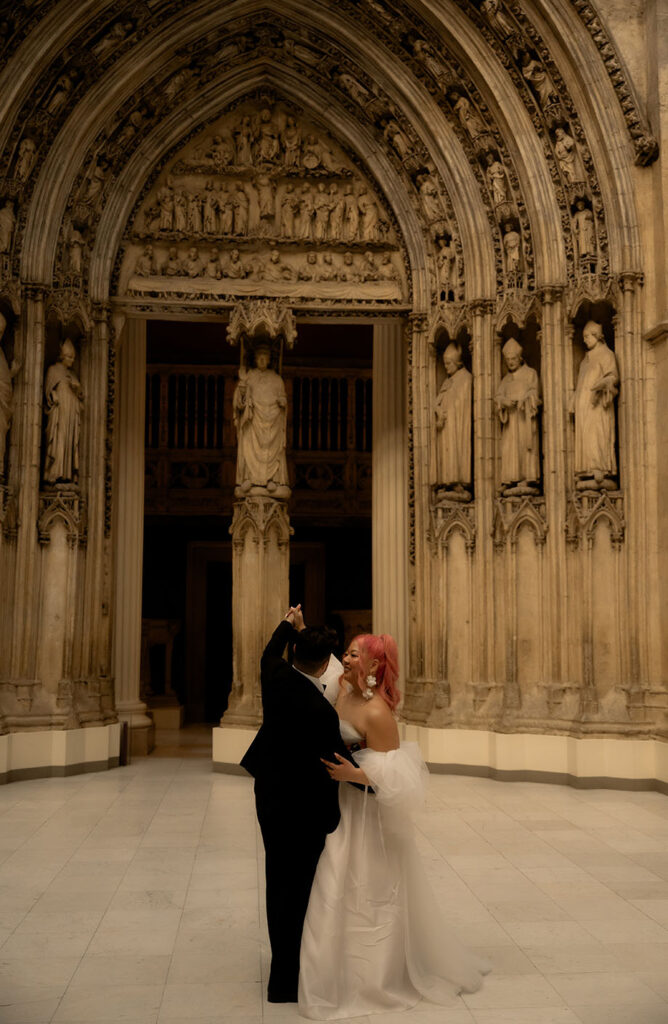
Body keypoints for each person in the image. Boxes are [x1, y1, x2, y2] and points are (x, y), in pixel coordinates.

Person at [299, 633, 490, 1018]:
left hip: (367, 816)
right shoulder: (340, 689)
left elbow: (398, 778)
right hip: (339, 806)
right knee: (331, 885)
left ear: (372, 666)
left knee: (365, 889)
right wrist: (301, 630)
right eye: (347, 653)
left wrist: (355, 773)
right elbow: (325, 666)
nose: (345, 659)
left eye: (354, 654)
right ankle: (328, 974)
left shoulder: (377, 713)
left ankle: (373, 980)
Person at [241, 606, 359, 1004]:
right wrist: (376, 781)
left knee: (279, 886)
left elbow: (267, 653)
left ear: (294, 654)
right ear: (327, 662)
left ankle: (280, 979)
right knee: (301, 892)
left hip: (271, 798)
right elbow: (336, 762)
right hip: (304, 811)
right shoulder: (321, 713)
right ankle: (291, 978)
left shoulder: (275, 677)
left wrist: (289, 625)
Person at [232, 344, 289, 495]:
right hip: (254, 420)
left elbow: (282, 397)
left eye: (265, 358)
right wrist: (243, 386)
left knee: (272, 450)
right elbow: (240, 402)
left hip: (272, 421)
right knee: (249, 447)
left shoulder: (276, 379)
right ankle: (249, 477)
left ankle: (271, 479)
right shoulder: (249, 376)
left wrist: (282, 402)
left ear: (269, 360)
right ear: (255, 359)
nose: (262, 360)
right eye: (259, 357)